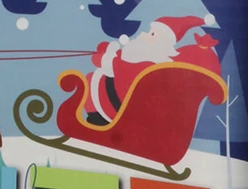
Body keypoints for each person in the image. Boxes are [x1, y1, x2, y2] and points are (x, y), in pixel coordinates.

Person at [86, 16, 220, 124]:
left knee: (90, 80)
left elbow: (125, 70)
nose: (143, 34)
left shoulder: (152, 65)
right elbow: (126, 61)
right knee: (91, 78)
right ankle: (95, 116)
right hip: (120, 98)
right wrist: (112, 54)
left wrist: (109, 59)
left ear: (162, 43)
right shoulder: (144, 57)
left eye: (152, 34)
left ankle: (96, 118)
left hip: (119, 106)